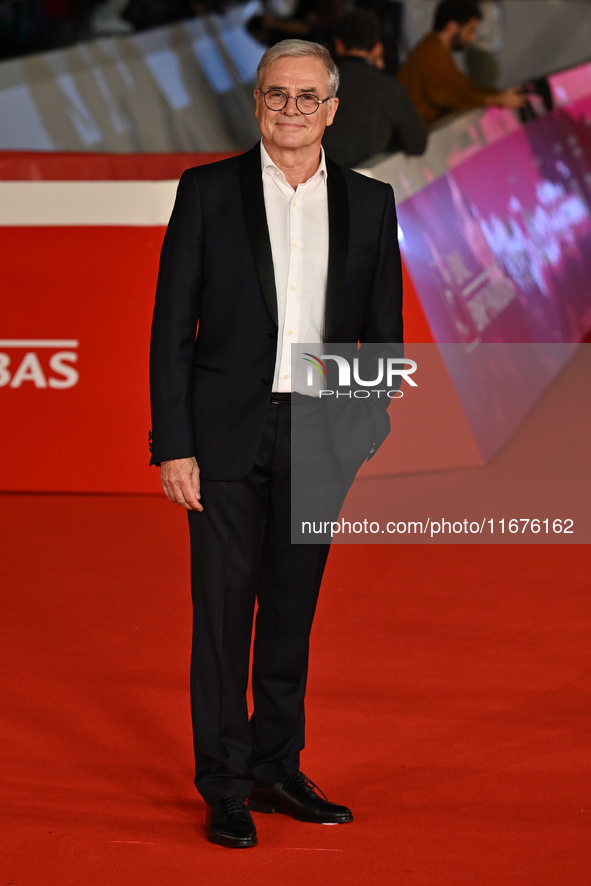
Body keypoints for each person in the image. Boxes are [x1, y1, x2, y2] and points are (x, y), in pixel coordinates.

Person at [149, 38, 403, 849]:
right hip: (221, 437)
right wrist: (174, 445)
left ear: (331, 108)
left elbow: (378, 335)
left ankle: (275, 766)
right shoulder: (207, 193)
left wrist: (363, 429)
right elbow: (169, 332)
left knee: (290, 614)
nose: (288, 110)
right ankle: (223, 784)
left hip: (320, 432)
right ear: (255, 101)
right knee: (223, 616)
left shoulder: (370, 202)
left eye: (305, 98)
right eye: (274, 95)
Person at [322, 9, 426, 167]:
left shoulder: (318, 83)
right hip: (366, 182)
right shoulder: (389, 88)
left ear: (339, 45)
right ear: (377, 48)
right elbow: (417, 144)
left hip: (315, 179)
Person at [397, 0, 525, 126]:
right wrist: (496, 99)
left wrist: (498, 95)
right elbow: (445, 96)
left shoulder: (436, 47)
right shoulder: (431, 50)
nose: (472, 38)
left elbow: (462, 88)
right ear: (451, 27)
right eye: (469, 31)